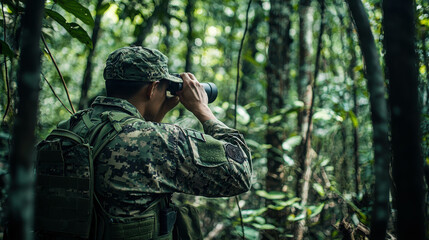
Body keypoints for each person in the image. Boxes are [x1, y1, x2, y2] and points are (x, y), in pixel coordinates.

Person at [86, 46, 252, 239]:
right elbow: (241, 174)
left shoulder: (68, 130)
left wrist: (153, 117)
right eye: (165, 89)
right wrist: (202, 109)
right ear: (152, 89)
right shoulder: (162, 141)